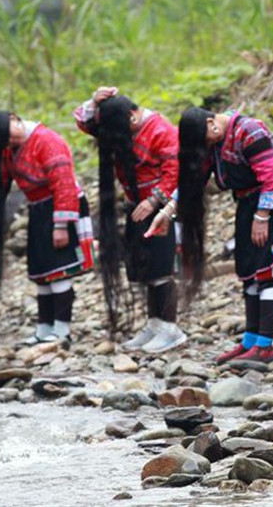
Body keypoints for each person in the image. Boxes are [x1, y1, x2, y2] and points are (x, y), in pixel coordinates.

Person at [147, 106, 273, 365]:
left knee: (268, 272)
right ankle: (250, 341)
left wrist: (263, 216)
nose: (206, 145)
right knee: (249, 273)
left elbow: (272, 177)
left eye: (205, 140)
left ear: (212, 124)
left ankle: (265, 346)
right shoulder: (214, 140)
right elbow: (192, 182)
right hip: (247, 203)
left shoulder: (249, 131)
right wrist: (166, 212)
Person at [74, 87, 187, 353]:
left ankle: (171, 329)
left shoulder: (161, 131)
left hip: (160, 208)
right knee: (144, 270)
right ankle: (154, 324)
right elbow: (83, 122)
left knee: (161, 268)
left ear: (133, 117)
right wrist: (93, 101)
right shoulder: (118, 124)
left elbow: (176, 172)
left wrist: (153, 201)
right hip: (135, 205)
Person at [0, 112, 94, 347]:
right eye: (6, 140)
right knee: (42, 273)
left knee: (59, 270)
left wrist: (61, 226)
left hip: (61, 206)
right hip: (38, 209)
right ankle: (43, 329)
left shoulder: (47, 140)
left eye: (12, 134)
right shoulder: (9, 150)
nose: (12, 141)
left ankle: (62, 332)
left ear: (15, 119)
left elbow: (63, 182)